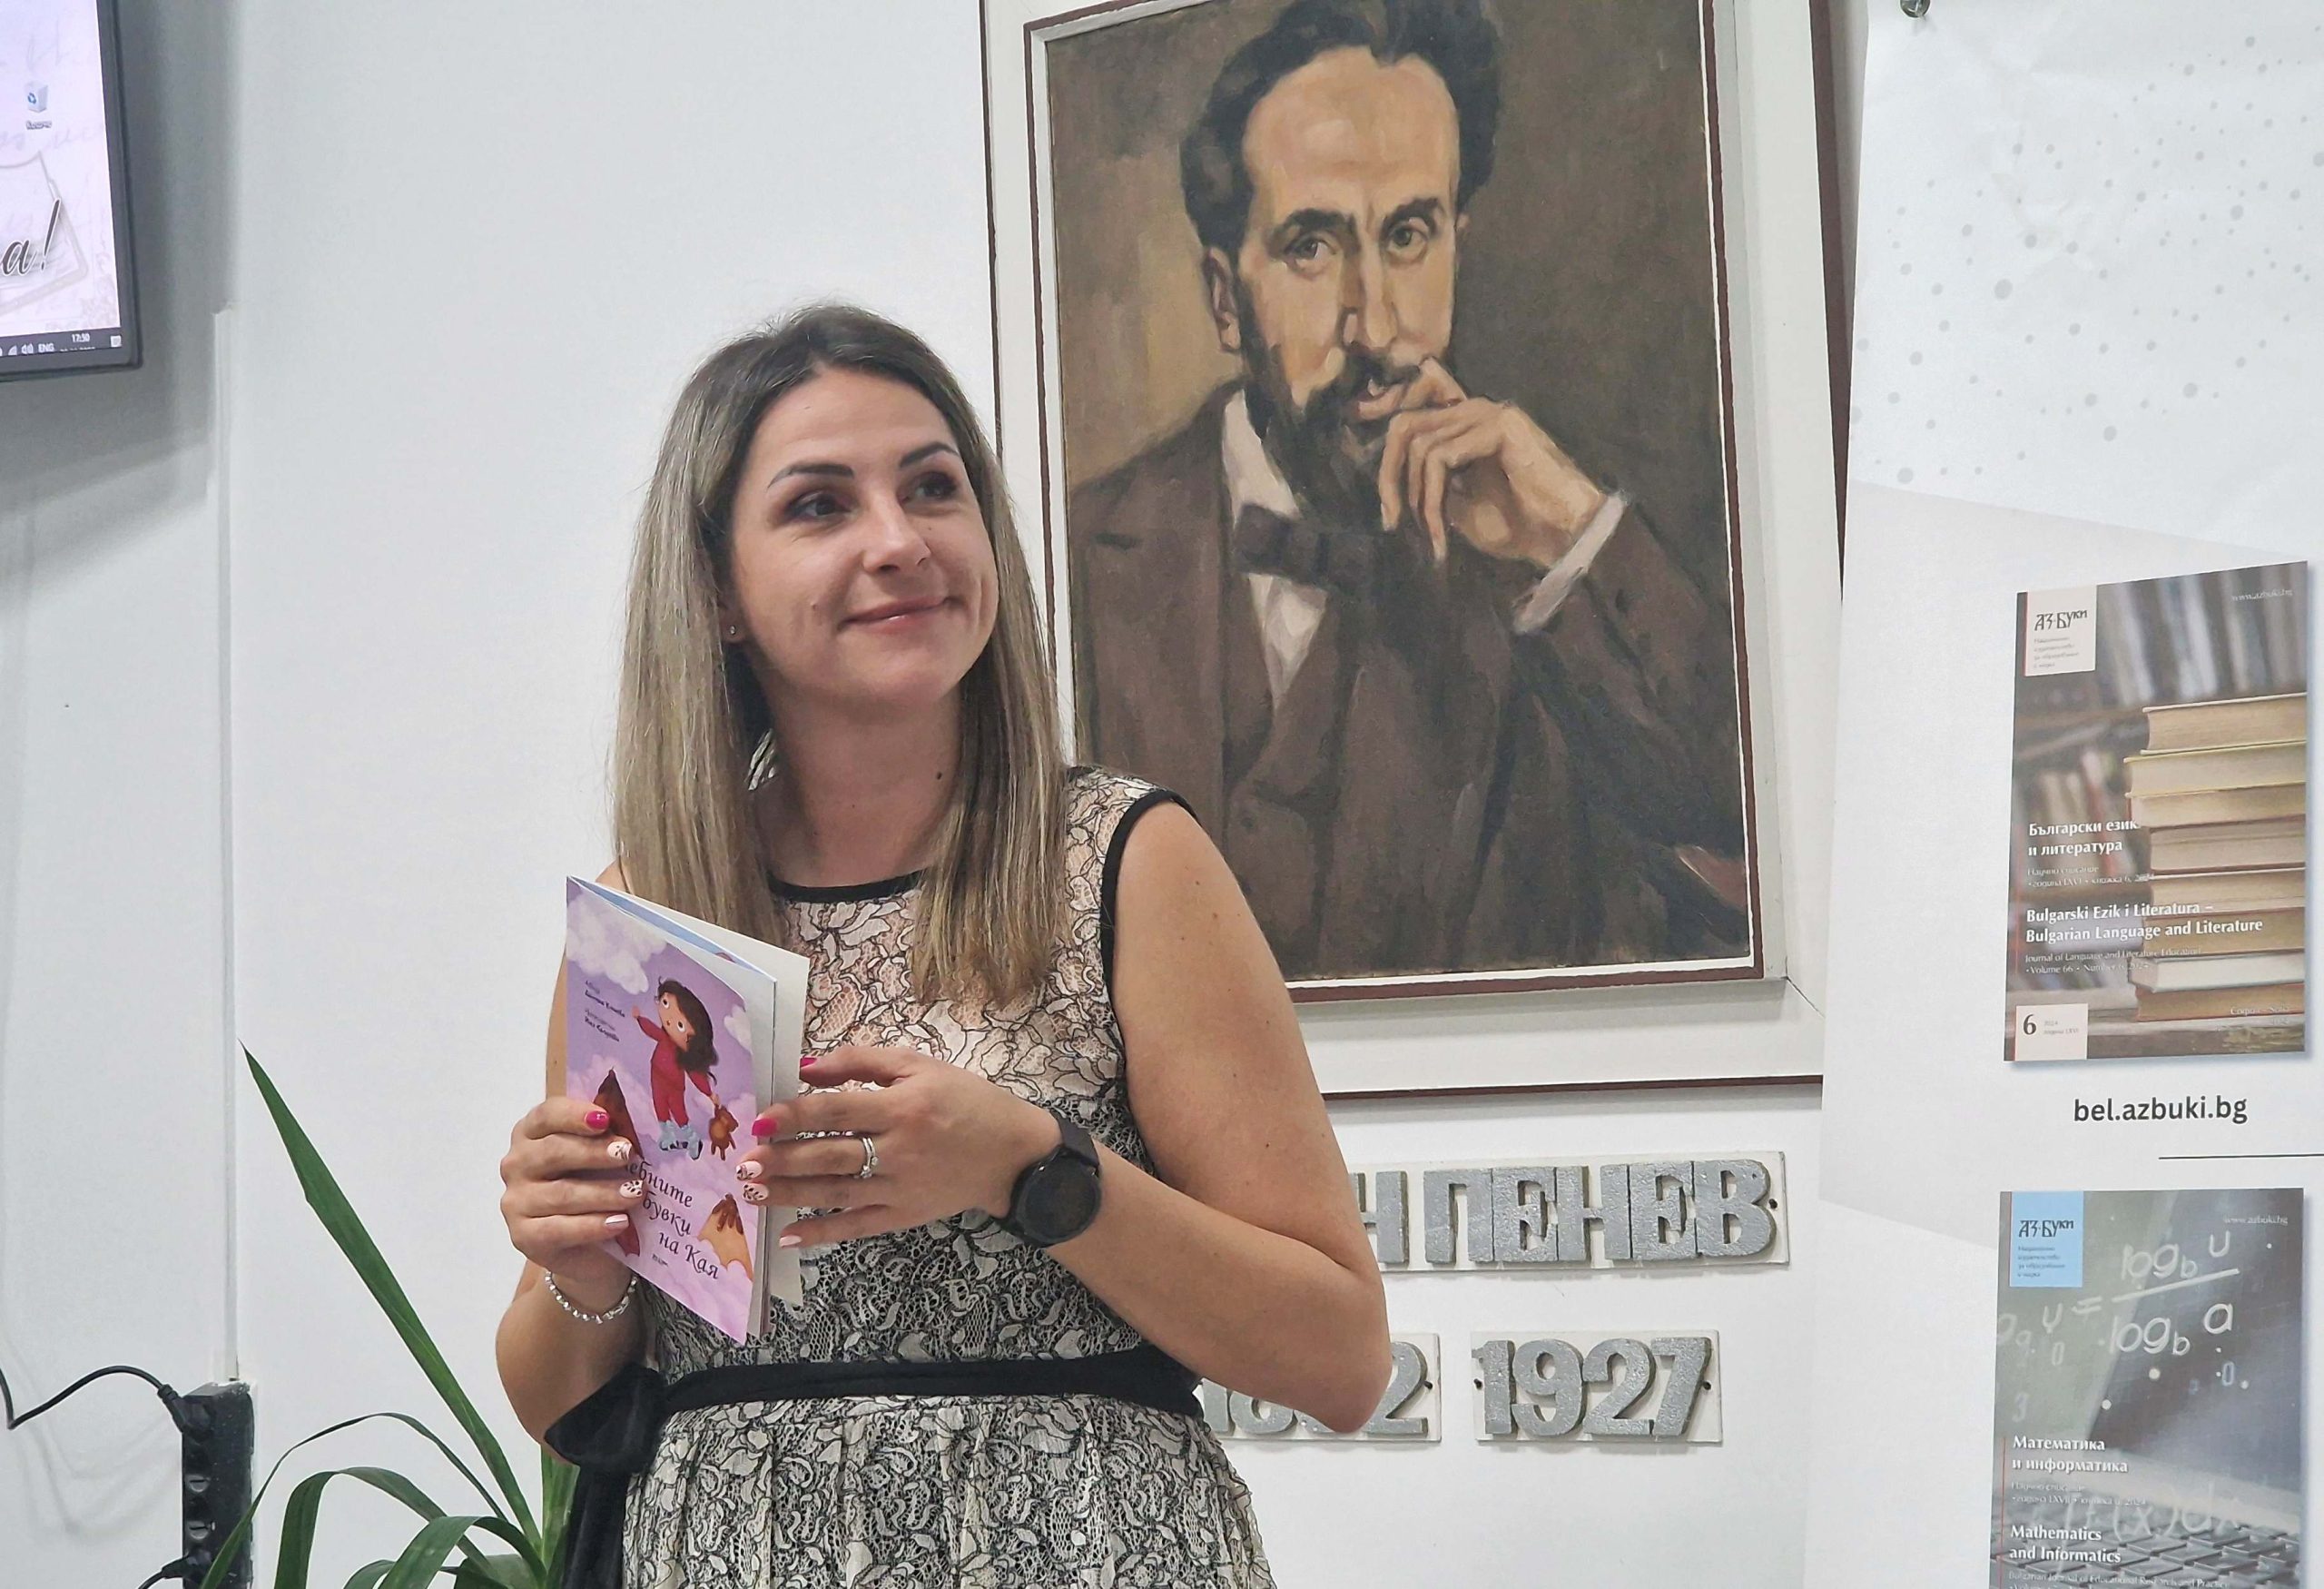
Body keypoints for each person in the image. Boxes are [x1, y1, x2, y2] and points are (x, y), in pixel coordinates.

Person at [494, 303, 1390, 1589]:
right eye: (820, 506)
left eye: (932, 487)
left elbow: (1340, 1356)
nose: (901, 541)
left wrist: (1023, 1166)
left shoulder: (1124, 859)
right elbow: (561, 1403)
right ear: (718, 593)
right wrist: (578, 1260)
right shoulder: (654, 916)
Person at [1068, 0, 1748, 982]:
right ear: (1225, 298)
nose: (1376, 325)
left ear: (1458, 244)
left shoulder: (1546, 584)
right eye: (1311, 246)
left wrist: (1574, 533)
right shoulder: (1079, 557)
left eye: (1408, 236)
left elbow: (1753, 820)